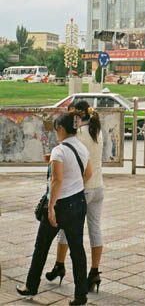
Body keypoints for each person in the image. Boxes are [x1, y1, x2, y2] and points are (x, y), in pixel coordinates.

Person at [17, 113, 91, 305]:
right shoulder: (82, 147)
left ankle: (31, 286)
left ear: (61, 129)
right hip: (78, 202)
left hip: (60, 205)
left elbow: (57, 180)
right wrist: (75, 184)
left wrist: (51, 207)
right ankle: (80, 295)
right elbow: (88, 173)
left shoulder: (59, 150)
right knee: (77, 251)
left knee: (41, 247)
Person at [46, 100, 104, 294]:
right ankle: (94, 271)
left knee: (66, 229)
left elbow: (70, 162)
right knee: (95, 229)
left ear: (77, 116)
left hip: (82, 189)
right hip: (98, 188)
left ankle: (60, 265)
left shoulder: (77, 135)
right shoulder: (97, 131)